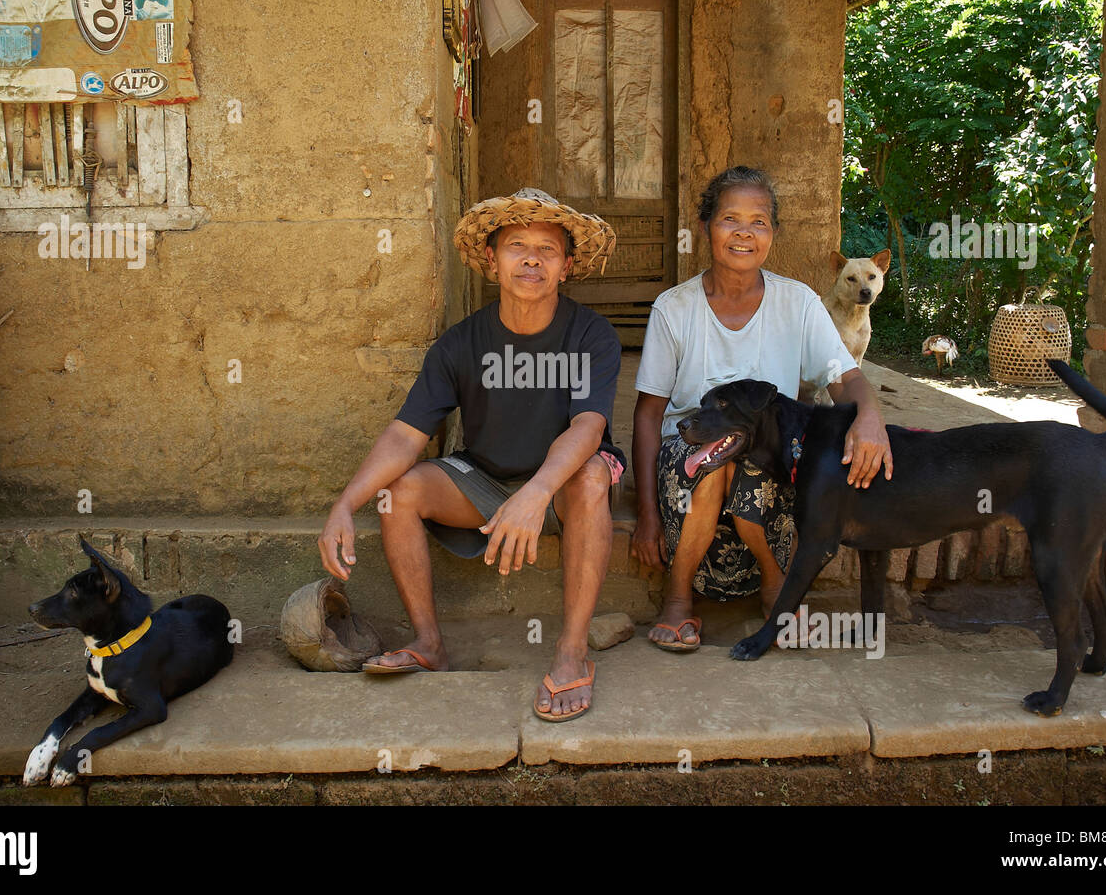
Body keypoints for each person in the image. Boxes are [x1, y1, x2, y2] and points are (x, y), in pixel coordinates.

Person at [319, 188, 625, 721]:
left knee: (593, 475)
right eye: (516, 246)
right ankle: (429, 642)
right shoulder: (461, 344)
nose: (532, 259)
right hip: (486, 478)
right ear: (492, 261)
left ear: (567, 266)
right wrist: (345, 503)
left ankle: (572, 651)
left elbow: (589, 426)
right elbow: (406, 435)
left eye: (548, 249)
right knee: (400, 492)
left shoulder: (590, 334)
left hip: (563, 488)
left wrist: (535, 493)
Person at [630, 166, 893, 650]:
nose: (744, 233)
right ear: (708, 226)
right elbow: (648, 414)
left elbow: (848, 379)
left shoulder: (799, 304)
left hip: (769, 474)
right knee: (714, 461)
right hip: (689, 466)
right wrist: (647, 515)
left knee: (751, 459)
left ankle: (776, 590)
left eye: (759, 221)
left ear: (772, 232)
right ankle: (678, 598)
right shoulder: (675, 308)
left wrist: (870, 418)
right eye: (730, 218)